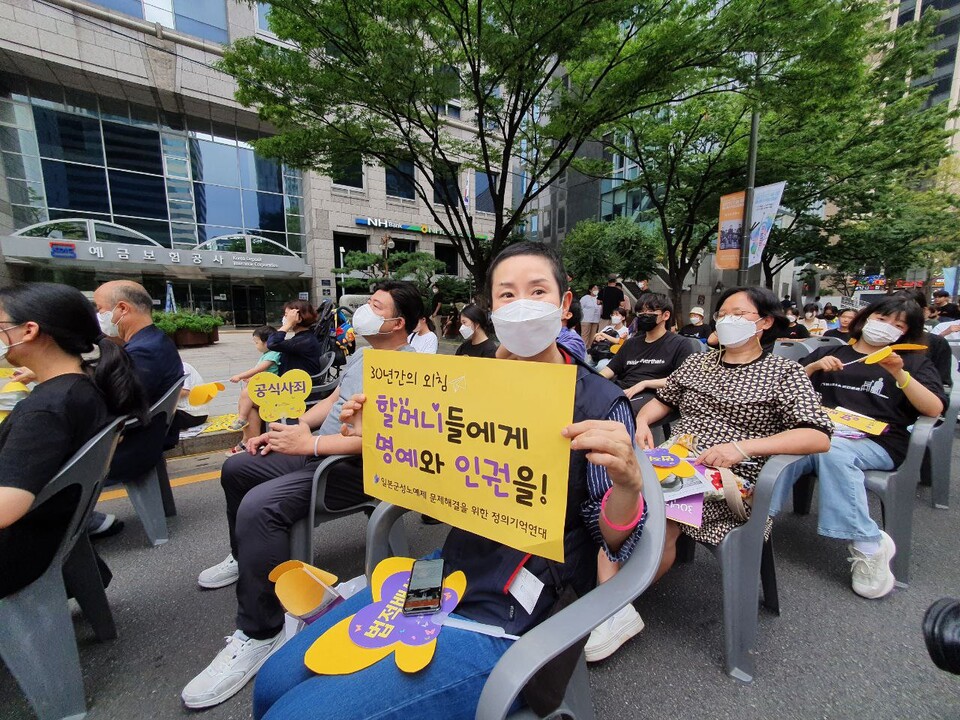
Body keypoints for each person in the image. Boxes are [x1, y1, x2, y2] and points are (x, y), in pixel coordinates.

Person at [252, 241, 646, 720]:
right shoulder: (465, 384)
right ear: (493, 308)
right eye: (507, 294)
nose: (521, 304)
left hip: (522, 602)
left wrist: (627, 485)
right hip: (447, 567)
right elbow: (433, 486)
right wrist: (380, 437)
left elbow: (613, 541)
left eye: (537, 291)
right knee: (272, 683)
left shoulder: (601, 403)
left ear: (564, 305)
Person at [181, 281, 423, 710]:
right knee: (237, 467)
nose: (364, 311)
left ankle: (260, 633)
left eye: (375, 305)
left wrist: (308, 446)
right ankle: (248, 558)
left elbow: (384, 441)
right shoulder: (365, 354)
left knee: (261, 506)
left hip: (351, 470)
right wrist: (297, 430)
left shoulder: (412, 371)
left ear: (397, 322)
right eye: (367, 302)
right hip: (315, 453)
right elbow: (332, 399)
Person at [583, 287, 832, 662]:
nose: (727, 320)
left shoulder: (784, 371)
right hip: (677, 459)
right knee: (612, 486)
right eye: (724, 313)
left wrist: (744, 448)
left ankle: (613, 606)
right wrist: (642, 420)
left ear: (764, 322)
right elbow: (664, 400)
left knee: (661, 512)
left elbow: (817, 434)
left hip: (735, 474)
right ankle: (612, 598)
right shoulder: (699, 364)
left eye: (740, 313)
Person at [770, 296, 946, 598]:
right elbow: (781, 390)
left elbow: (933, 409)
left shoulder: (913, 362)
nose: (887, 328)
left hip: (877, 442)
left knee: (832, 450)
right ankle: (759, 519)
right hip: (820, 433)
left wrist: (899, 374)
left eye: (898, 325)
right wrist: (811, 368)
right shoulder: (831, 353)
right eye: (882, 319)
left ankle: (867, 543)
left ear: (906, 333)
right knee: (777, 451)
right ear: (866, 318)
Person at [0, 282, 147, 599]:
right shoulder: (83, 387)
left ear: (28, 331)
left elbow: (6, 509)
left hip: (21, 551)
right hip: (54, 536)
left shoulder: (46, 410)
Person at [91, 280, 183, 536]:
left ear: (122, 308)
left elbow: (114, 406)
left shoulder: (144, 351)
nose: (98, 316)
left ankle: (79, 519)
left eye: (100, 309)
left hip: (133, 447)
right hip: (149, 436)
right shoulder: (153, 341)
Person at [599, 293, 695, 415]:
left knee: (617, 412)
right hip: (622, 389)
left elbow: (681, 379)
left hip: (654, 395)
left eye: (650, 312)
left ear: (666, 315)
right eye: (640, 313)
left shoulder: (681, 344)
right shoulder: (630, 343)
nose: (644, 316)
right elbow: (609, 370)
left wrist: (644, 384)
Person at [227, 326, 281, 452]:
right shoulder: (267, 354)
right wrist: (251, 379)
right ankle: (250, 440)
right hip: (265, 387)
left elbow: (259, 370)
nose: (256, 346)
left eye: (257, 342)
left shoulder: (273, 354)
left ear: (267, 342)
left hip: (272, 390)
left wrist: (240, 376)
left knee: (247, 393)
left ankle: (242, 418)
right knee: (249, 403)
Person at [267, 300, 322, 377]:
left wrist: (288, 324)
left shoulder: (304, 341)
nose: (285, 318)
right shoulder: (303, 337)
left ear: (299, 318)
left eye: (287, 315)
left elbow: (272, 343)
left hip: (300, 385)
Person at [173, 362, 209, 436]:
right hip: (183, 411)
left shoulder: (182, 367)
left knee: (155, 419)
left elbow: (184, 391)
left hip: (192, 414)